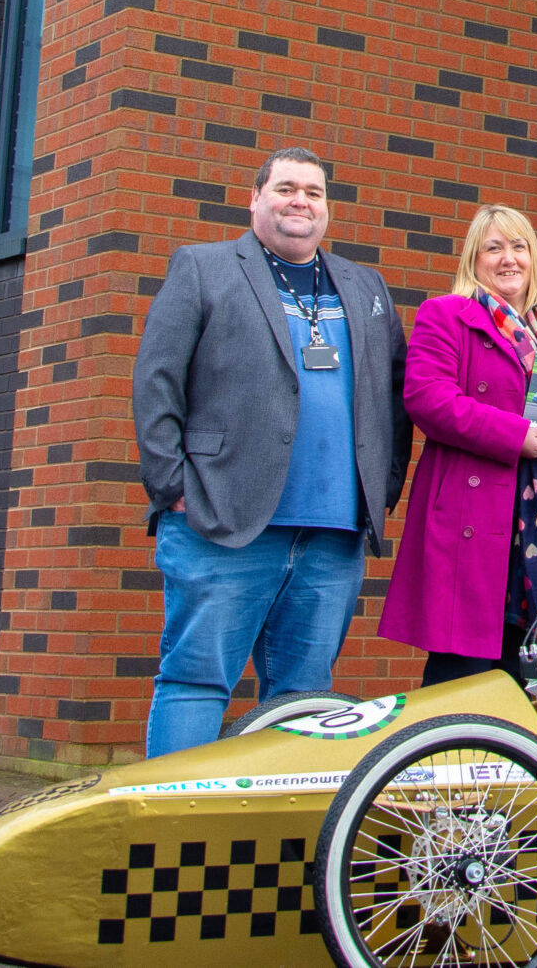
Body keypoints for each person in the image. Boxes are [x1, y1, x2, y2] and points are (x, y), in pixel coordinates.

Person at [132, 146, 410, 757]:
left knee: (305, 699)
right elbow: (157, 380)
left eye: (313, 191)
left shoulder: (365, 286)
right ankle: (172, 841)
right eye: (285, 188)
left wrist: (378, 488)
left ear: (327, 208)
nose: (299, 202)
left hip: (333, 532)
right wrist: (171, 486)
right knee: (196, 681)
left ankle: (272, 843)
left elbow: (393, 394)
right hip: (221, 520)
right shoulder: (203, 268)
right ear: (255, 199)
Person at [383, 204, 537, 682]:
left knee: (526, 669)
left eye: (518, 246)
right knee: (460, 676)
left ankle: (510, 758)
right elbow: (427, 398)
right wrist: (518, 437)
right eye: (494, 248)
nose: (508, 258)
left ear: (534, 258)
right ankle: (443, 755)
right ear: (474, 259)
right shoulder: (445, 314)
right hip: (477, 514)